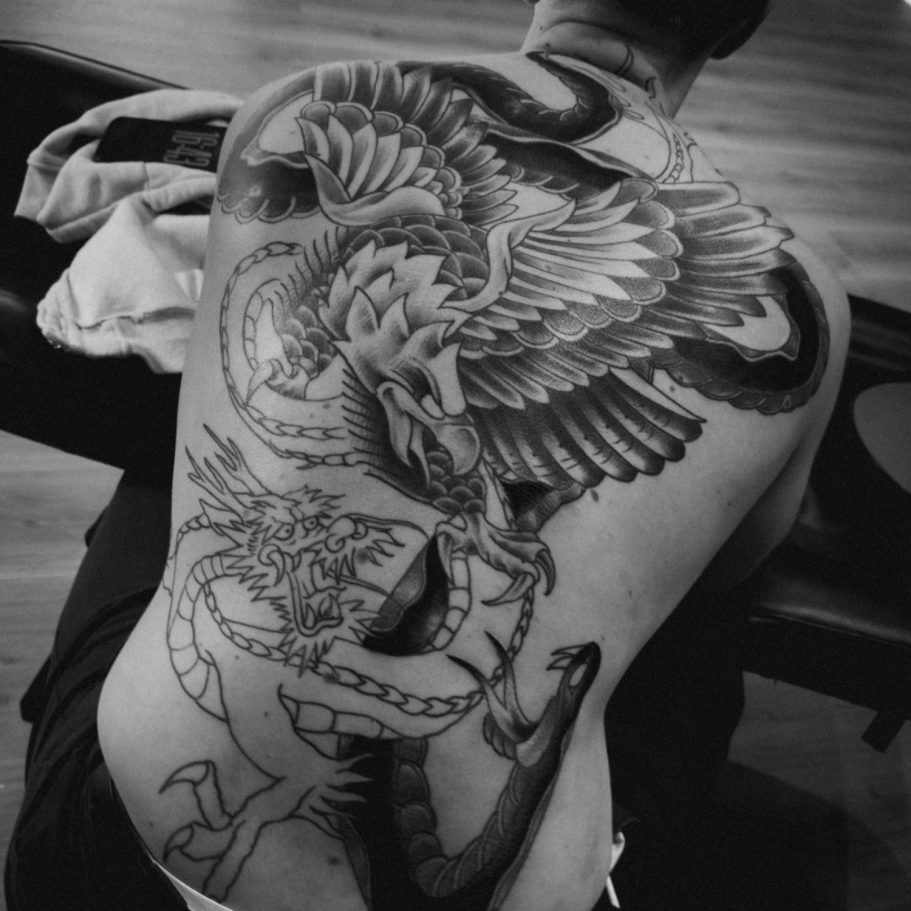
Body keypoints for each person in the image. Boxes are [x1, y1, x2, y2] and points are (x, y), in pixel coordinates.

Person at [6, 1, 849, 909]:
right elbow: (730, 570)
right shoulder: (802, 291)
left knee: (169, 456)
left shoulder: (302, 107)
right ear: (735, 29)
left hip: (142, 847)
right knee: (683, 633)